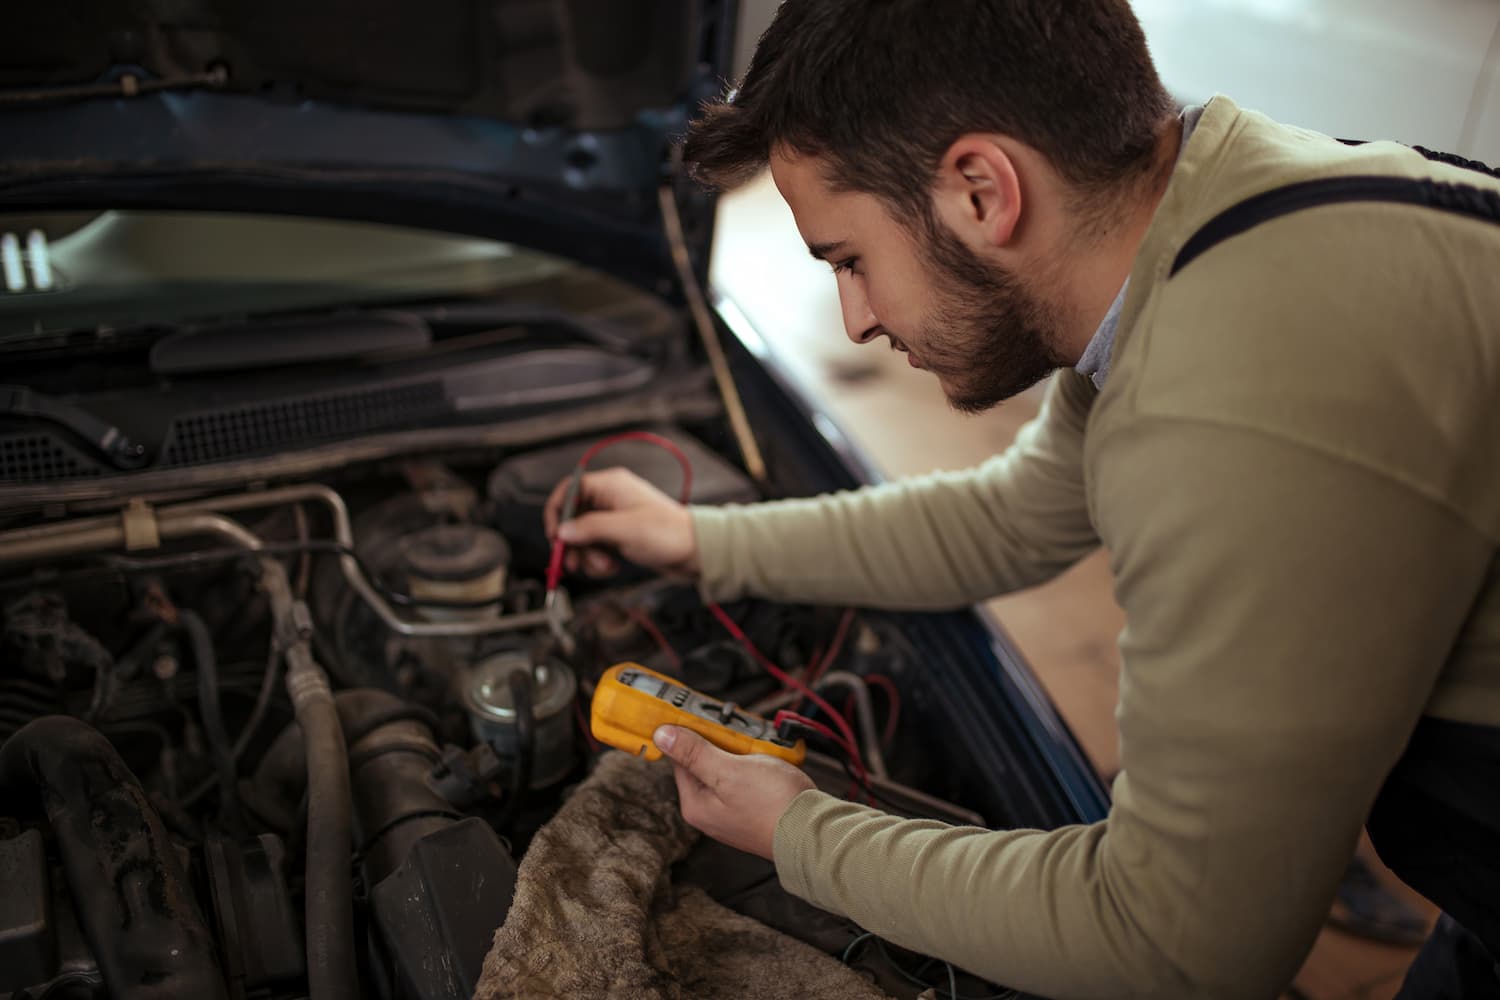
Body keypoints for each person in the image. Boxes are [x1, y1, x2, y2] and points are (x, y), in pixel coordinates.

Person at [544, 2, 1500, 996]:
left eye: (849, 259)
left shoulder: (1241, 398)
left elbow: (1177, 939)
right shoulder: (1216, 203)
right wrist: (699, 539)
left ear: (980, 190)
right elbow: (1011, 519)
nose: (857, 318)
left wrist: (798, 829)